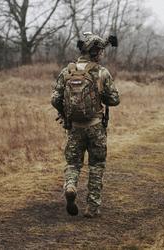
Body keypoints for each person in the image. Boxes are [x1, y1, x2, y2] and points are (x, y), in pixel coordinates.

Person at [51, 32, 120, 218]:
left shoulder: (68, 71)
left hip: (74, 127)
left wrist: (65, 113)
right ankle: (92, 207)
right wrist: (101, 95)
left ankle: (71, 186)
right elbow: (114, 100)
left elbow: (55, 98)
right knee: (96, 166)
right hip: (96, 127)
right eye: (101, 52)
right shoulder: (101, 72)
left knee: (73, 164)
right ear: (96, 52)